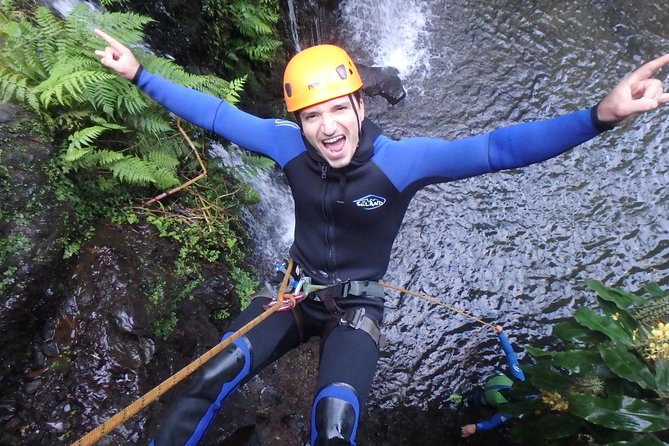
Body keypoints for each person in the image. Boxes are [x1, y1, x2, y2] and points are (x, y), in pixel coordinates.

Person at [94, 27, 669, 445]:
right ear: (298, 122)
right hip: (293, 292)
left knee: (335, 424)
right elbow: (216, 114)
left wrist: (598, 117)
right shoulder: (285, 144)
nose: (327, 127)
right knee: (209, 374)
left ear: (361, 106)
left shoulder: (401, 162)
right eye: (312, 116)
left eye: (338, 110)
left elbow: (496, 150)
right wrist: (140, 75)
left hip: (356, 305)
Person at [460, 325, 532, 438]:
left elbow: (492, 423)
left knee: (475, 401)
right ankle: (465, 401)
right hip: (489, 391)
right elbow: (510, 354)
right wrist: (501, 333)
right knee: (475, 400)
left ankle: (465, 401)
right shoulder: (518, 377)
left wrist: (475, 427)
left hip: (486, 396)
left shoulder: (513, 406)